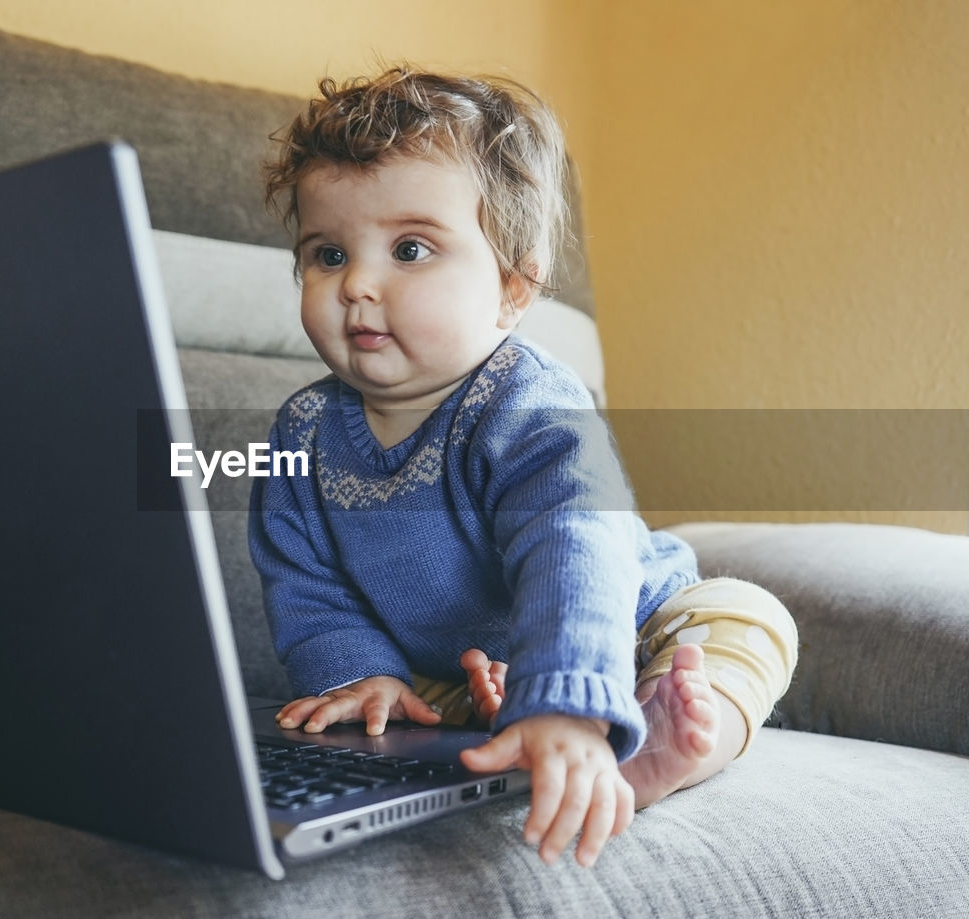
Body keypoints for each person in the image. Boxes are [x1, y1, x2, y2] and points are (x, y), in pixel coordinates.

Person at [248, 66, 798, 868]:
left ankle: (659, 741)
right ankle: (518, 725)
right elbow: (306, 583)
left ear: (512, 285)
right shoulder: (300, 431)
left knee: (750, 617)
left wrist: (569, 697)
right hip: (462, 674)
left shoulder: (529, 402)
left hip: (634, 624)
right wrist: (358, 675)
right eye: (328, 253)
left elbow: (574, 541)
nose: (358, 285)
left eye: (409, 249)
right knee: (407, 708)